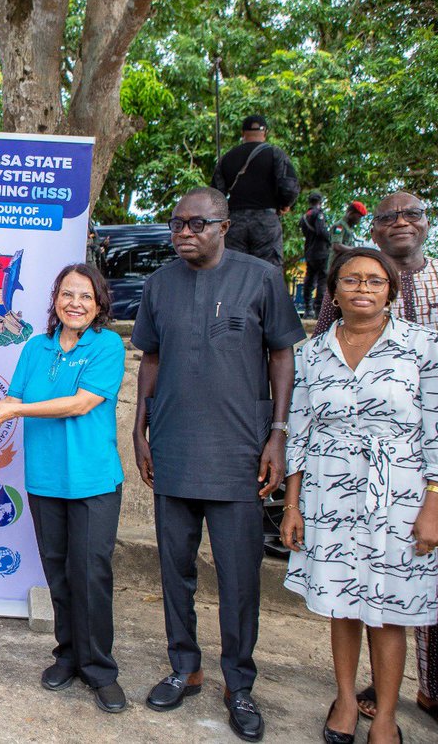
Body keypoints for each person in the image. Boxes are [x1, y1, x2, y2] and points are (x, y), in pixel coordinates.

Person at [132, 187, 304, 741]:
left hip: (240, 453)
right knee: (175, 571)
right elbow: (152, 357)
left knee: (239, 579)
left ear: (224, 226)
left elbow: (282, 353)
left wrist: (277, 435)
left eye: (196, 224)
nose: (183, 233)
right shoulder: (159, 284)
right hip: (176, 449)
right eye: (177, 224)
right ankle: (185, 666)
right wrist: (140, 428)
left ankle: (240, 682)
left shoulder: (261, 278)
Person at [280, 247, 438, 744]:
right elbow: (301, 429)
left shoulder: (425, 345)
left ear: (390, 292)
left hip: (400, 493)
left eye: (375, 281)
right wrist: (293, 507)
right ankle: (343, 699)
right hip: (328, 491)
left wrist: (436, 504)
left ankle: (385, 716)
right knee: (342, 604)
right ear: (334, 290)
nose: (363, 288)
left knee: (390, 609)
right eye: (352, 280)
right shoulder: (312, 352)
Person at [0, 263, 128, 713]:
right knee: (60, 573)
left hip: (93, 480)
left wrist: (15, 412)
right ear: (55, 300)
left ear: (99, 303)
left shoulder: (108, 345)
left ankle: (100, 669)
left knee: (92, 574)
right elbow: (15, 400)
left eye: (85, 296)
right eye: (67, 294)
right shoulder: (35, 347)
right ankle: (68, 655)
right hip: (45, 479)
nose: (75, 303)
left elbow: (81, 404)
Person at [210, 114, 300, 271]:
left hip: (234, 223)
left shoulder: (227, 158)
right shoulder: (275, 154)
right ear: (265, 132)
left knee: (234, 271)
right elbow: (289, 187)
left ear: (242, 133)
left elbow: (216, 196)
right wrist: (285, 204)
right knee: (268, 272)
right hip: (265, 221)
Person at [299, 192, 330, 317]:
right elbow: (321, 230)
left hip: (309, 251)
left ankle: (308, 308)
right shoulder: (319, 214)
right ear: (320, 202)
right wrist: (330, 239)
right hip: (321, 251)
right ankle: (319, 309)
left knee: (309, 279)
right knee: (323, 279)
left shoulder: (305, 216)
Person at [329, 201, 368, 271]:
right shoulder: (340, 226)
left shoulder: (349, 227)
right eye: (358, 217)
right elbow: (337, 246)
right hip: (336, 265)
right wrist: (356, 250)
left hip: (345, 263)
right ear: (350, 213)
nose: (359, 220)